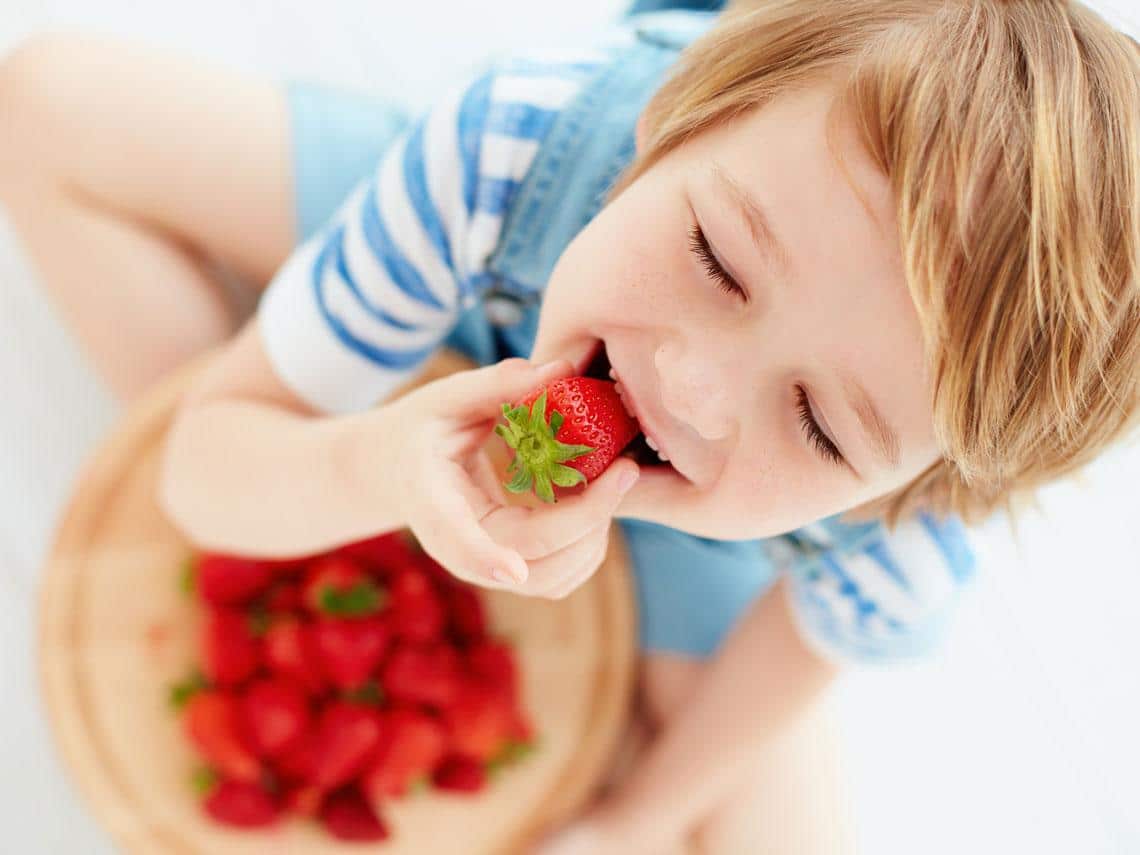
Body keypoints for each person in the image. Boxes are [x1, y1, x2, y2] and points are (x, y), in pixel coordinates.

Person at [2, 1, 1138, 852]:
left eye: (822, 427)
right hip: (496, 257)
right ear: (676, 113)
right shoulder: (517, 145)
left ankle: (298, 421)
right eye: (717, 261)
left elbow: (796, 659)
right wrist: (372, 463)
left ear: (908, 485)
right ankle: (298, 415)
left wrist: (636, 819)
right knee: (48, 103)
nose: (690, 393)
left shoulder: (905, 533)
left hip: (690, 543)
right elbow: (200, 476)